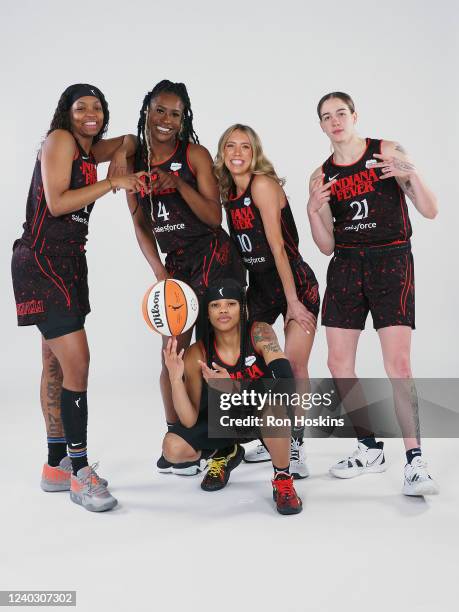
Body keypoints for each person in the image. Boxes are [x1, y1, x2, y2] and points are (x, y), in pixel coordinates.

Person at [11, 83, 145, 512]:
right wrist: (115, 183)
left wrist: (119, 160)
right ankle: (81, 474)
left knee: (54, 363)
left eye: (98, 107)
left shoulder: (88, 147)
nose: (91, 113)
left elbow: (129, 141)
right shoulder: (61, 140)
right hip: (44, 261)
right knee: (78, 364)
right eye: (81, 106)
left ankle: (56, 466)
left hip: (69, 262)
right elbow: (55, 203)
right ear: (65, 113)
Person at [307, 91, 439, 496]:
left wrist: (409, 173)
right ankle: (368, 447)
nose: (335, 121)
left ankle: (416, 462)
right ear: (321, 125)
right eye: (327, 116)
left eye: (341, 113)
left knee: (398, 365)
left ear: (354, 115)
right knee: (337, 362)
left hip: (391, 260)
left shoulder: (386, 151)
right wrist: (313, 209)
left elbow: (431, 210)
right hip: (346, 263)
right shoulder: (321, 175)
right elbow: (326, 245)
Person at [127, 80, 244, 474]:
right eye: (160, 110)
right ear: (147, 110)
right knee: (172, 356)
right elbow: (140, 224)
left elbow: (215, 217)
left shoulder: (193, 154)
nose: (166, 120)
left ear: (184, 119)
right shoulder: (133, 162)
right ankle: (179, 437)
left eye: (175, 114)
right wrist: (160, 274)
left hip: (215, 257)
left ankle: (228, 442)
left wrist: (177, 184)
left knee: (218, 357)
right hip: (176, 265)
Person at [213, 124, 319, 478]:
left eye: (245, 146)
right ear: (223, 152)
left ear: (255, 152)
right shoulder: (229, 191)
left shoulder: (261, 184)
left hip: (293, 282)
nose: (238, 152)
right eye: (231, 146)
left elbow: (277, 247)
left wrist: (293, 302)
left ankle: (296, 444)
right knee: (254, 359)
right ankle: (273, 432)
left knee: (296, 365)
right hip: (259, 286)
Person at [162, 279, 303, 515]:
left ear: (242, 308)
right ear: (207, 313)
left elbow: (285, 380)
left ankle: (282, 478)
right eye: (216, 305)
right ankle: (225, 453)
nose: (224, 310)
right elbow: (188, 420)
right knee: (173, 448)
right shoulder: (198, 352)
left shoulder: (259, 332)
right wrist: (175, 379)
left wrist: (236, 388)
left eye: (231, 304)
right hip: (223, 423)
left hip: (258, 415)